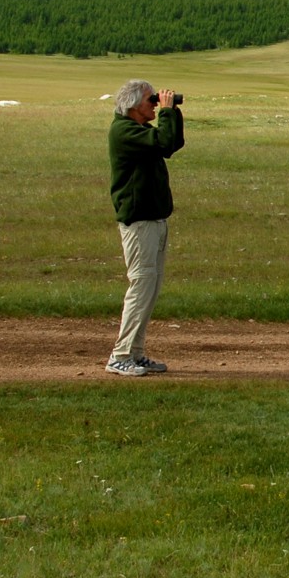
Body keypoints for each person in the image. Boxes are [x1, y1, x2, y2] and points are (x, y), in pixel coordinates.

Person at [105, 79, 185, 376]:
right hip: (139, 222)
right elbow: (163, 143)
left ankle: (135, 354)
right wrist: (166, 113)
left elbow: (172, 144)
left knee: (149, 289)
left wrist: (171, 113)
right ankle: (120, 355)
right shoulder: (123, 132)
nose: (155, 104)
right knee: (141, 287)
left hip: (154, 220)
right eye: (151, 100)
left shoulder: (136, 131)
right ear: (135, 105)